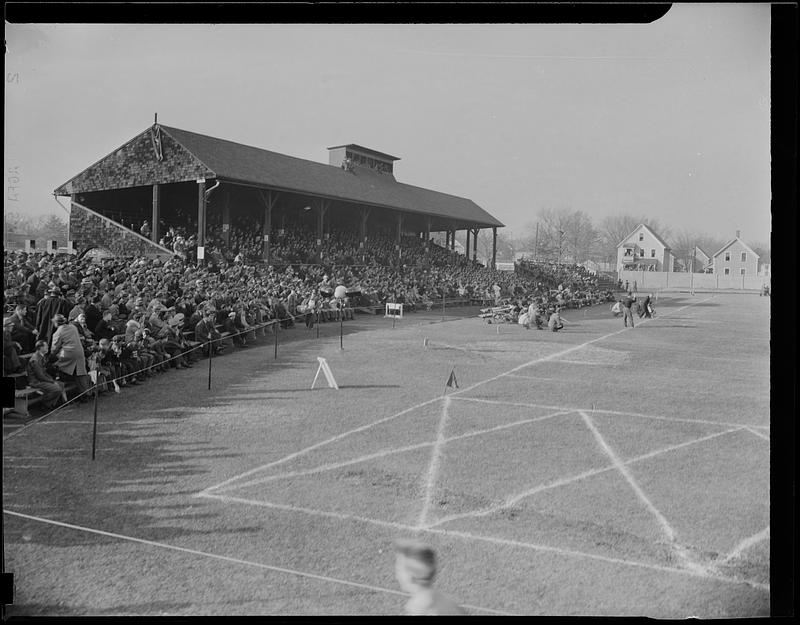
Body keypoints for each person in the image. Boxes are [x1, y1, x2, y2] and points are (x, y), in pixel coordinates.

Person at [394, 539, 465, 616]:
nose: (396, 576)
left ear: (410, 576)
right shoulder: (450, 603)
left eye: (399, 569)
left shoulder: (419, 609)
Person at [50, 313, 92, 399]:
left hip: (68, 354)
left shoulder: (58, 332)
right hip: (79, 352)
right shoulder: (73, 327)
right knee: (80, 374)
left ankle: (60, 389)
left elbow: (54, 348)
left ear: (56, 323)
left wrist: (50, 356)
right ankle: (86, 394)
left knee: (58, 367)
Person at [26, 340, 68, 409]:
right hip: (36, 381)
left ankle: (53, 404)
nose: (47, 347)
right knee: (57, 389)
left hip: (41, 379)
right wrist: (52, 382)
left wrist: (52, 380)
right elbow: (40, 376)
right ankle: (44, 403)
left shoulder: (41, 356)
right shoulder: (35, 359)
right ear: (40, 348)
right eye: (46, 346)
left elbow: (44, 373)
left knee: (61, 384)